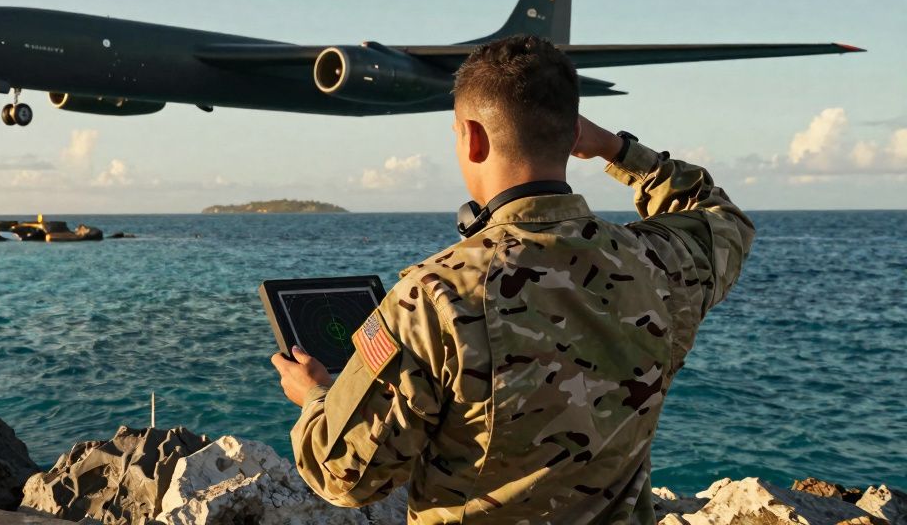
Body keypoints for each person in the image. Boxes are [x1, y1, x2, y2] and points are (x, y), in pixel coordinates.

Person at [270, 35, 754, 524]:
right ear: (572, 137)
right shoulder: (661, 262)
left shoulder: (433, 295)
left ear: (471, 138)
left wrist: (314, 397)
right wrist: (615, 148)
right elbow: (717, 214)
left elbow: (343, 476)